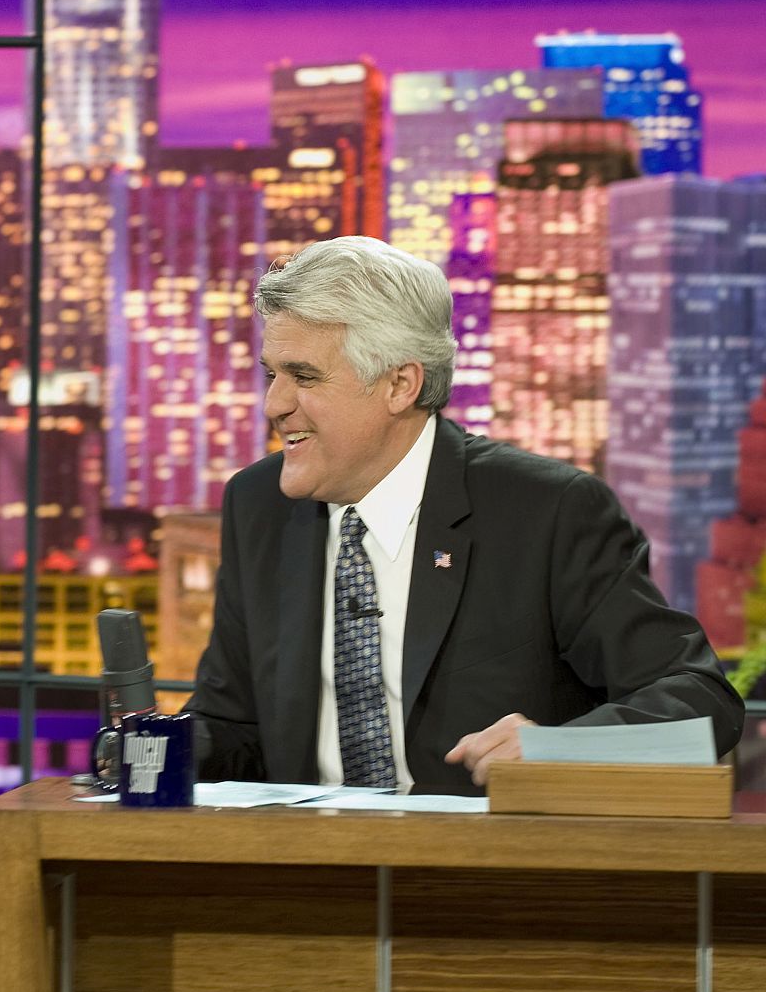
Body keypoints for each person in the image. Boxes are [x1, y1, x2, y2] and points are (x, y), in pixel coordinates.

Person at [186, 236, 742, 795]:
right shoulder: (258, 506)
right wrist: (141, 743)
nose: (274, 405)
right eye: (272, 375)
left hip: (485, 866)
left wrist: (559, 751)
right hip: (311, 863)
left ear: (400, 385)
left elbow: (700, 700)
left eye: (303, 377)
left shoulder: (547, 511)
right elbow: (234, 727)